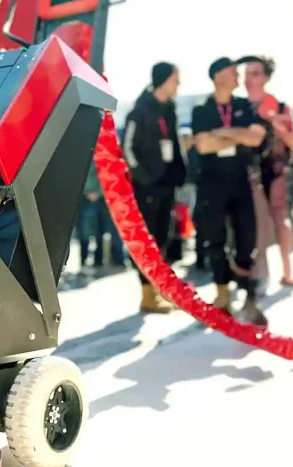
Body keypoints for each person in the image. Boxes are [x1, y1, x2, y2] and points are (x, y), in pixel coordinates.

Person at [191, 57, 268, 325]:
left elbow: (256, 137)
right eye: (233, 72)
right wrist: (239, 135)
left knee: (247, 236)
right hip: (211, 182)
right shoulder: (201, 109)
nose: (238, 76)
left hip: (240, 180)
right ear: (218, 76)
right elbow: (203, 146)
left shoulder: (244, 106)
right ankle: (222, 294)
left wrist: (222, 132)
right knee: (214, 238)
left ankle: (248, 296)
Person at [122, 62, 186, 313]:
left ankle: (159, 290)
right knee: (146, 241)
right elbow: (127, 149)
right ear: (163, 80)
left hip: (167, 185)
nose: (178, 84)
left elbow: (175, 143)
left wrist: (180, 172)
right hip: (146, 187)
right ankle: (147, 296)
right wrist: (145, 178)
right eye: (175, 79)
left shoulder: (170, 110)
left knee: (163, 239)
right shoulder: (139, 111)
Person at [240, 55, 293, 287]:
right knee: (257, 219)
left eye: (254, 73)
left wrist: (276, 124)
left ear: (265, 78)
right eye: (247, 73)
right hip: (248, 170)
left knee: (280, 217)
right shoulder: (239, 107)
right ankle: (260, 272)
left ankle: (287, 270)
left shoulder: (280, 107)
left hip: (275, 168)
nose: (248, 79)